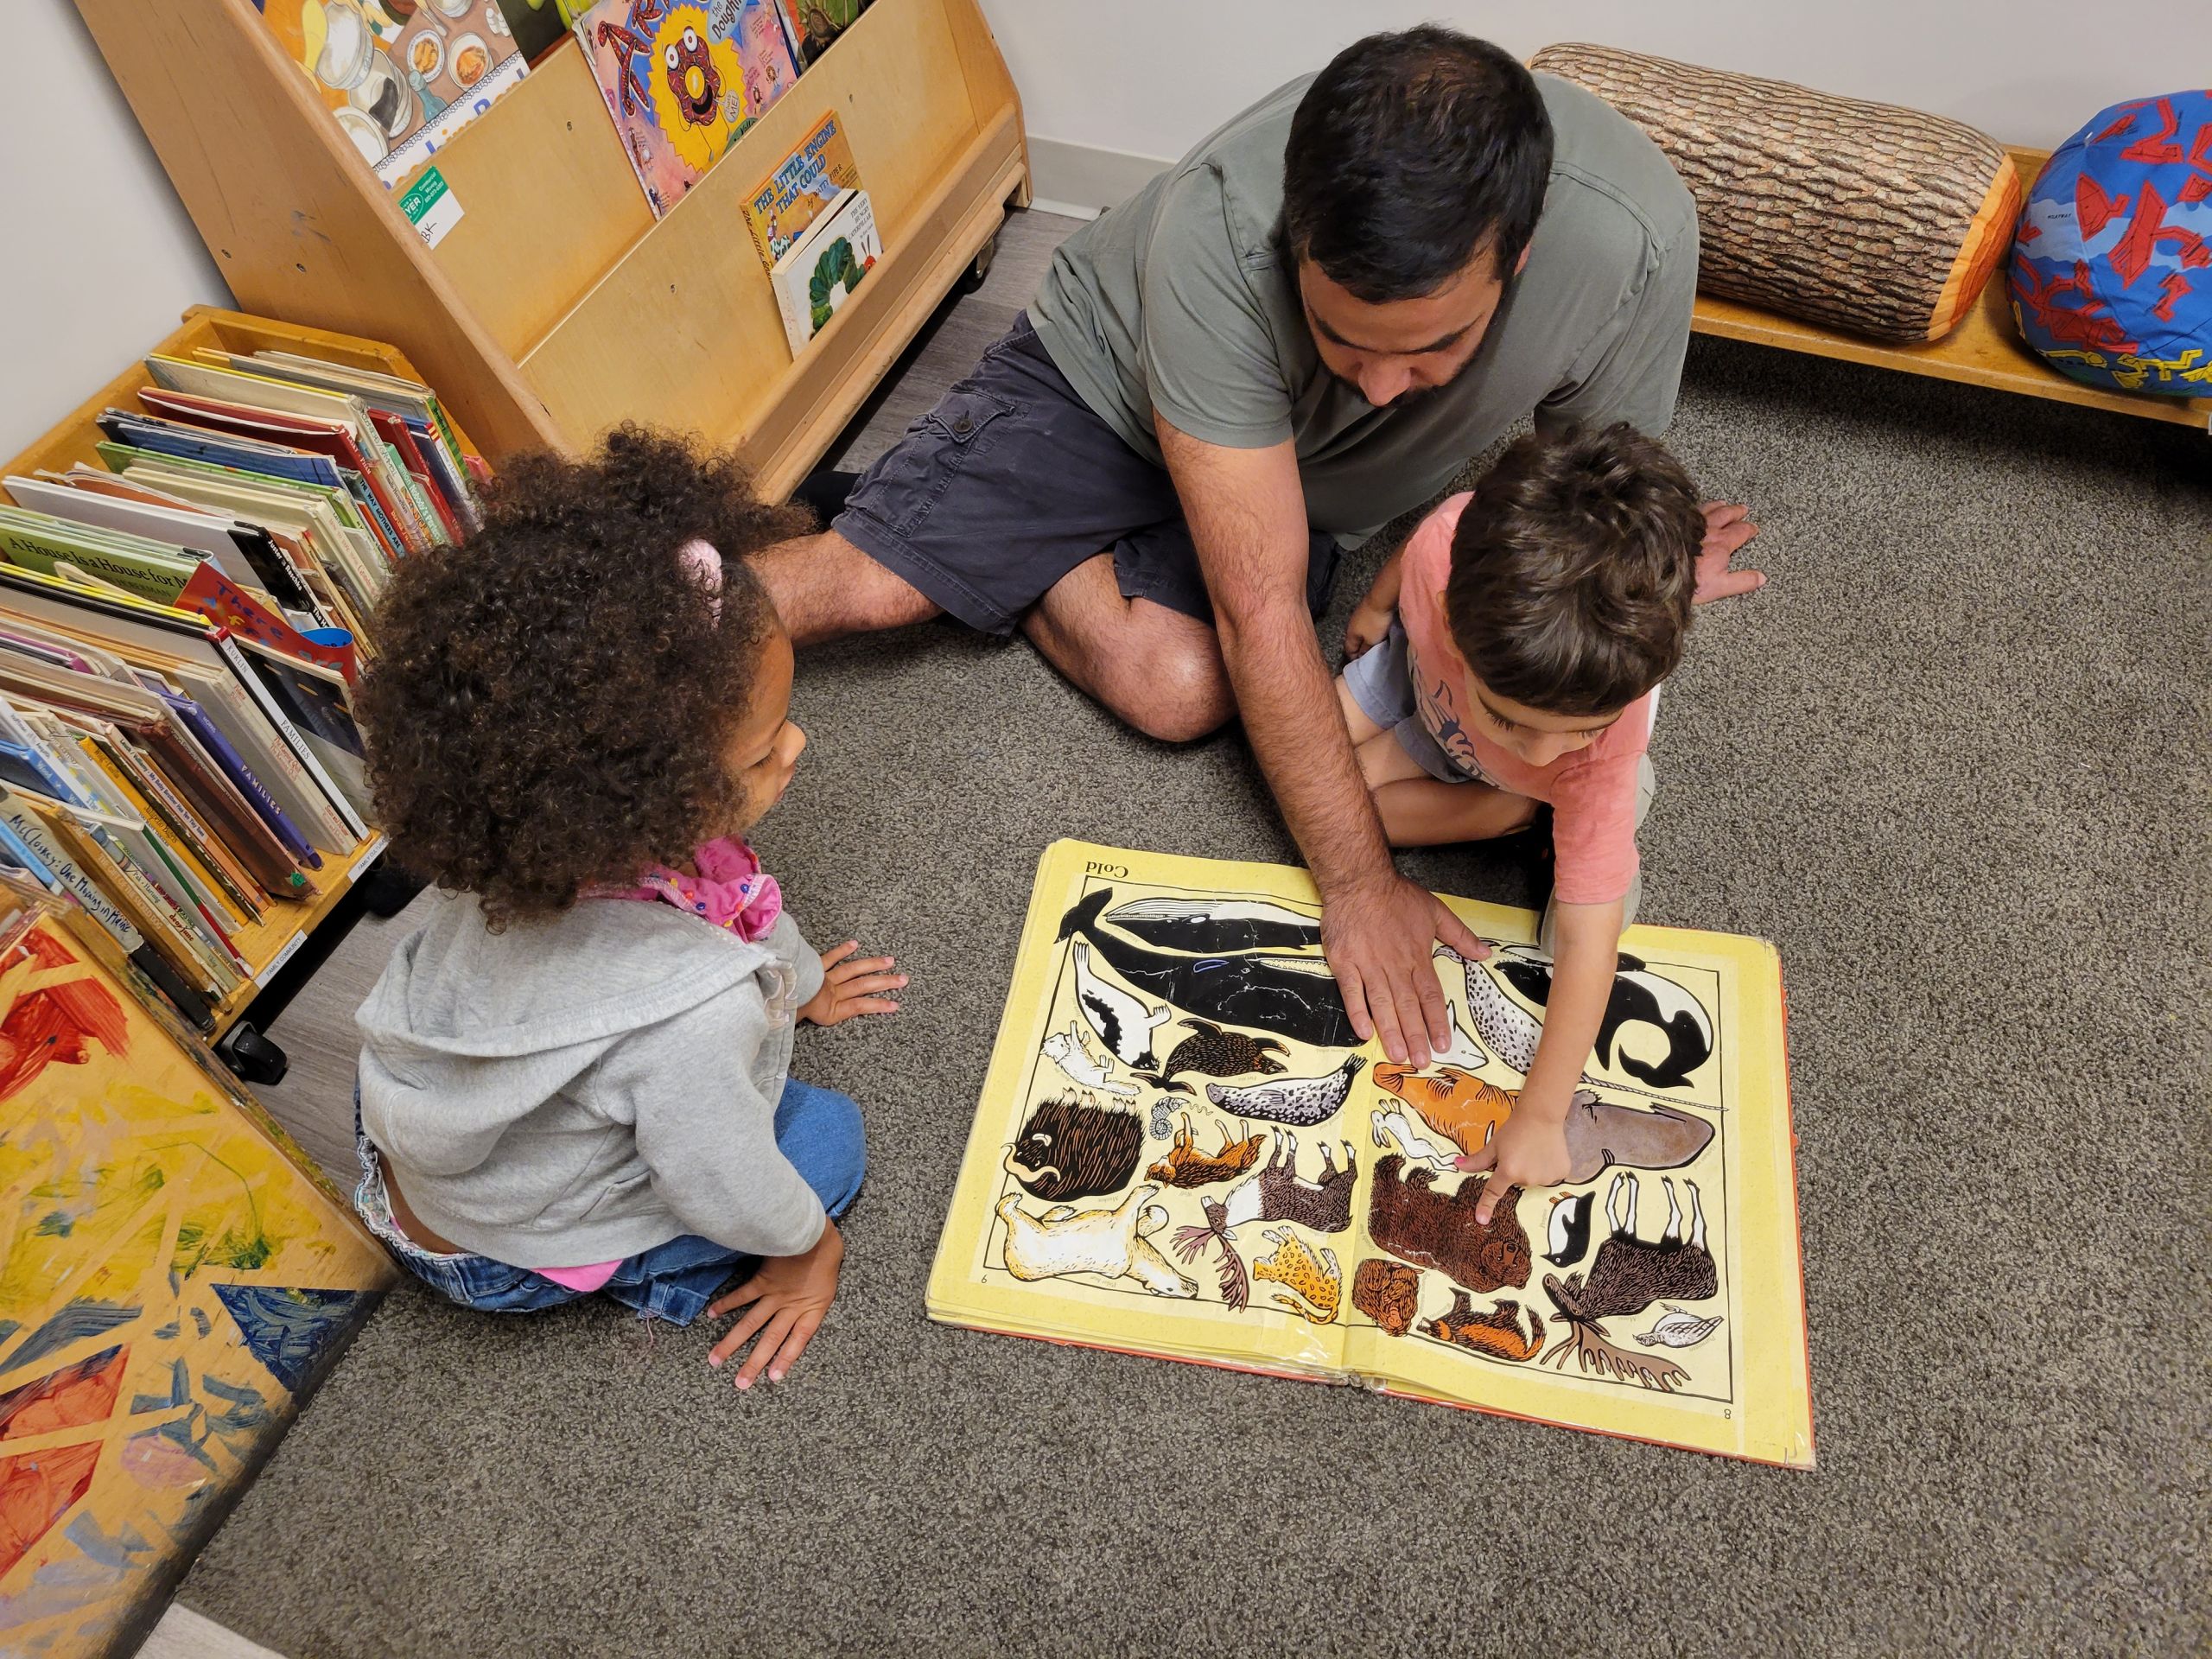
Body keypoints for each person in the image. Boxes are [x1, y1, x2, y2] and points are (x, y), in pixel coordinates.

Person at [750, 27, 1762, 1071]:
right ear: (1295, 246)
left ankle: (986, 539)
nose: (1380, 389)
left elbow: (1580, 500)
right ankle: (846, 553)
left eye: (1434, 349)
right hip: (1104, 385)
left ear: (1520, 256)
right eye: (1341, 339)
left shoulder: (1634, 242)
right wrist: (1360, 886)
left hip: (1304, 489)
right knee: (871, 588)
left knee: (1181, 688)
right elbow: (1261, 607)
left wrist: (1646, 571)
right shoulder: (1220, 227)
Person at [352, 429, 906, 1391]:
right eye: (763, 749)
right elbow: (720, 1177)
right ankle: (638, 1280)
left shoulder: (527, 837)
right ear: (647, 798)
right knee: (826, 1143)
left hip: (412, 1140)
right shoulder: (692, 1013)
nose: (797, 748)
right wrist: (807, 1250)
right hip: (499, 1251)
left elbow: (740, 896)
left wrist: (805, 985)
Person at [1337, 422, 1703, 1222]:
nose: (1544, 750)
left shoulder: (1593, 757)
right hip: (1426, 691)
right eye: (1514, 721)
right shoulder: (1441, 553)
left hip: (1568, 785)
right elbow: (1422, 544)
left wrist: (1540, 1115)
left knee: (1573, 926)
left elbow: (1590, 944)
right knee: (1318, 789)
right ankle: (1509, 806)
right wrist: (1374, 605)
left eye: (1579, 728)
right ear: (1449, 612)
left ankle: (1525, 808)